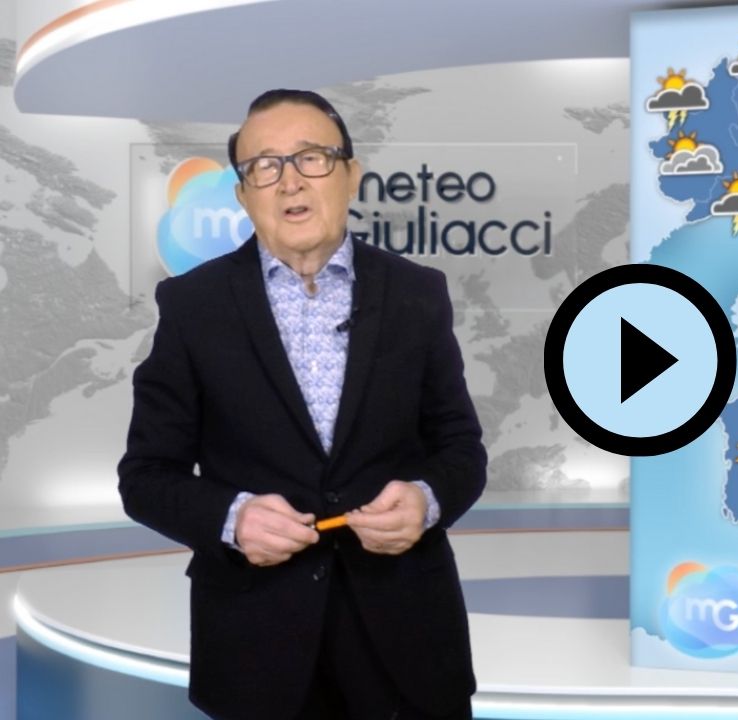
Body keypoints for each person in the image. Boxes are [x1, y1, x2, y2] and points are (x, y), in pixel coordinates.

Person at [118, 89, 486, 720]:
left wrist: (427, 501)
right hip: (256, 645)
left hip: (408, 639)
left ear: (351, 174)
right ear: (243, 194)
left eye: (312, 158)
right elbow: (146, 477)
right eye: (264, 166)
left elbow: (461, 450)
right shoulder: (192, 307)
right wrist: (232, 519)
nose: (289, 181)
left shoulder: (418, 294)